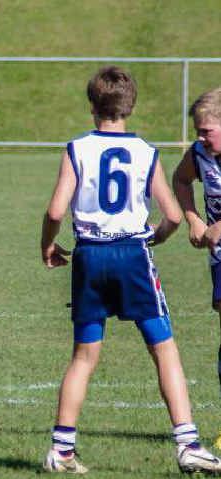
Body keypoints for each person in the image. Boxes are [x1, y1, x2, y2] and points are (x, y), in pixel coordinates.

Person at [40, 66, 221, 474]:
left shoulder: (77, 148)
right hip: (132, 256)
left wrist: (48, 244)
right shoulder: (145, 151)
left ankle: (62, 449)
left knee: (84, 356)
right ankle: (188, 443)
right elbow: (173, 215)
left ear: (92, 106)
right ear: (131, 107)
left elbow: (55, 209)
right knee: (163, 347)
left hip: (89, 255)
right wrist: (154, 236)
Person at [172, 86, 221, 449]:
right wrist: (193, 219)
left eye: (207, 130)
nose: (201, 138)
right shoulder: (200, 155)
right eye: (198, 131)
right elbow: (180, 179)